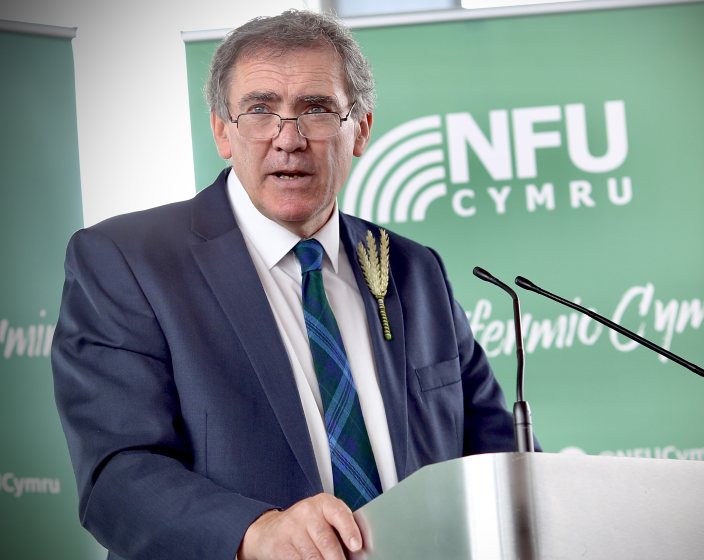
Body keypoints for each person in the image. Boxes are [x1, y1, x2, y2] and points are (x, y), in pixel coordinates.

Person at [52, 10, 515, 560]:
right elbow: (117, 478)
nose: (288, 138)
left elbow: (498, 463)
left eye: (316, 110)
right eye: (260, 110)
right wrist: (256, 533)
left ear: (360, 129)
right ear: (223, 130)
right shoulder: (126, 262)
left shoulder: (416, 272)